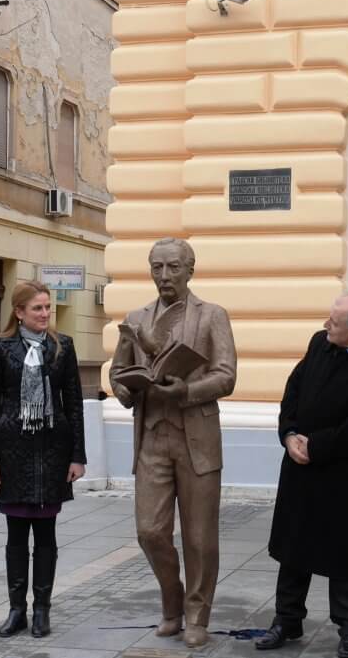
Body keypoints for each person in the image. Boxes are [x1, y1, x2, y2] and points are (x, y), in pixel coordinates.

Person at [255, 293, 348, 658]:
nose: (325, 325)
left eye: (333, 322)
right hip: (299, 467)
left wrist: (315, 446)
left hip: (340, 473)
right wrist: (289, 435)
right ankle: (287, 619)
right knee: (292, 547)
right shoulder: (319, 343)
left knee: (344, 554)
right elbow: (293, 389)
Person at [110, 237, 236, 649]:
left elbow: (226, 375)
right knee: (150, 532)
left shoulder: (212, 315)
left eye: (173, 268)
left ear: (190, 269)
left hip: (195, 438)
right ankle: (172, 601)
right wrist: (125, 389)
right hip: (152, 437)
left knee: (200, 537)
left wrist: (185, 390)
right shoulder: (136, 318)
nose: (164, 275)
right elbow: (117, 371)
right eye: (157, 267)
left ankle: (197, 614)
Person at [0, 281, 86, 639]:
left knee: (46, 535)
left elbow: (73, 402)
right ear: (19, 312)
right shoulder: (0, 346)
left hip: (52, 452)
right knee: (15, 537)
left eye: (47, 308)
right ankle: (16, 610)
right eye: (37, 308)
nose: (44, 314)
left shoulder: (62, 347)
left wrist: (77, 456)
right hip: (12, 453)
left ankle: (42, 610)